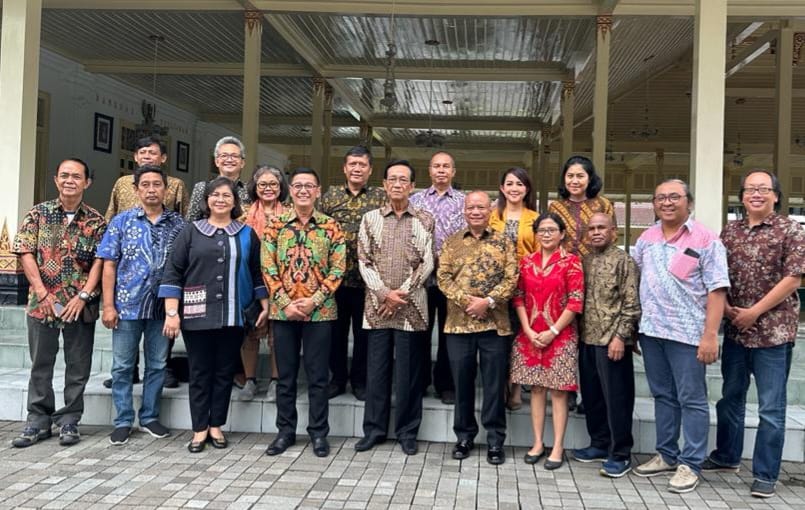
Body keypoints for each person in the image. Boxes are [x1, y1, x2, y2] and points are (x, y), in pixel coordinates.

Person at [703, 170, 805, 499]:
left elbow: (794, 278)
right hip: (735, 330)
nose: (756, 194)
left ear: (776, 195)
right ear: (742, 196)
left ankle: (765, 473)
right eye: (750, 189)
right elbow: (717, 272)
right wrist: (730, 310)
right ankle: (727, 457)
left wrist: (755, 311)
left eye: (763, 189)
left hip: (773, 333)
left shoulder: (791, 229)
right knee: (730, 397)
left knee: (770, 408)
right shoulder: (730, 231)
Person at [632, 179, 729, 493]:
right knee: (663, 396)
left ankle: (691, 462)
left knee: (692, 399)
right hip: (652, 332)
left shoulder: (705, 239)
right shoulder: (646, 238)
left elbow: (717, 291)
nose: (667, 202)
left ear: (689, 201)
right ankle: (667, 454)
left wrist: (710, 335)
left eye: (674, 197)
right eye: (660, 198)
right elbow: (637, 283)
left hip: (688, 334)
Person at [158, 176, 269, 453]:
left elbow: (256, 273)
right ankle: (199, 429)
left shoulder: (246, 234)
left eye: (226, 195)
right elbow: (173, 273)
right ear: (207, 200)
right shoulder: (190, 232)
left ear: (235, 202)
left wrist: (264, 304)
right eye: (215, 194)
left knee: (224, 372)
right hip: (196, 315)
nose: (220, 199)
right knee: (200, 372)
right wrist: (172, 312)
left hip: (234, 313)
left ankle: (216, 425)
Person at [11, 158, 106, 448]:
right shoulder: (37, 214)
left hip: (80, 305)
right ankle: (37, 421)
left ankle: (69, 421)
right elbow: (25, 252)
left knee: (78, 366)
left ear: (87, 182)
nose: (70, 181)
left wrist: (84, 296)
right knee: (41, 363)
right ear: (55, 179)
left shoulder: (96, 221)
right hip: (42, 304)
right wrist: (41, 292)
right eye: (64, 175)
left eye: (76, 176)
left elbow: (101, 261)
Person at [97, 165, 186, 445]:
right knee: (122, 367)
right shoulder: (121, 222)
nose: (151, 189)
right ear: (136, 190)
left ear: (165, 189)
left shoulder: (179, 225)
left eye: (156, 184)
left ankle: (149, 416)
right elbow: (109, 266)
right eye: (145, 184)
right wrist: (108, 306)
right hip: (126, 308)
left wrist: (177, 310)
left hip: (162, 310)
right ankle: (123, 420)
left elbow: (185, 267)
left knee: (158, 364)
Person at [263, 168, 346, 458]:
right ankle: (285, 431)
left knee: (318, 377)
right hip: (283, 313)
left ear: (318, 190)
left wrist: (314, 300)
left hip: (320, 313)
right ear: (290, 190)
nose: (302, 191)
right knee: (285, 377)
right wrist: (285, 302)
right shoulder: (275, 226)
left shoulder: (332, 227)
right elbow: (267, 267)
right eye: (297, 185)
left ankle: (318, 433)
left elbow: (338, 270)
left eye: (309, 186)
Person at [354, 160, 434, 455]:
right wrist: (384, 293)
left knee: (409, 373)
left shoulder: (425, 219)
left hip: (412, 307)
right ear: (385, 185)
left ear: (413, 186)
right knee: (376, 371)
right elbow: (363, 260)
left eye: (404, 180)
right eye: (392, 179)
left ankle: (407, 431)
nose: (398, 184)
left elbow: (428, 262)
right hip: (376, 307)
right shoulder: (369, 218)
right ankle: (373, 430)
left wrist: (401, 293)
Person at [437, 191, 518, 465]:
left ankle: (495, 440)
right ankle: (464, 436)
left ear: (490, 211)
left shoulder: (505, 242)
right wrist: (465, 301)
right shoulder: (451, 242)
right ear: (464, 210)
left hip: (495, 326)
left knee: (495, 386)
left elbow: (512, 278)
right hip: (459, 326)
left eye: (481, 207)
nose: (475, 212)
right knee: (462, 384)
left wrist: (488, 301)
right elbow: (443, 278)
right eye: (471, 207)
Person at [103, 135, 189, 389]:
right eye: (142, 152)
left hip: (163, 277)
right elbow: (111, 214)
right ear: (135, 157)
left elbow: (184, 220)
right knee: (125, 352)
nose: (147, 156)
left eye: (153, 152)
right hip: (129, 274)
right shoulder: (122, 184)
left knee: (161, 340)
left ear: (163, 158)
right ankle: (130, 373)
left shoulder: (175, 185)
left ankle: (165, 369)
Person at [510, 212, 583, 470]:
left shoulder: (571, 263)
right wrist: (528, 329)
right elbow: (518, 296)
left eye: (552, 230)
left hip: (560, 336)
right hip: (530, 334)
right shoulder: (526, 262)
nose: (547, 234)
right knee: (537, 390)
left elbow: (575, 301)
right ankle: (538, 442)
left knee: (559, 392)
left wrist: (552, 331)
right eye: (542, 230)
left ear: (562, 234)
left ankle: (558, 446)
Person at [572, 213, 641, 477]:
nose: (596, 232)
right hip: (587, 340)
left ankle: (620, 453)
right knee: (592, 397)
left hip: (612, 342)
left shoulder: (624, 262)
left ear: (614, 232)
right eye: (591, 229)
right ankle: (599, 443)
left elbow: (632, 304)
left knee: (617, 399)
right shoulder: (585, 261)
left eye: (602, 228)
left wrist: (621, 337)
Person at [548, 155, 614, 414]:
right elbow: (550, 239)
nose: (575, 181)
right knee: (565, 336)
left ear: (590, 178)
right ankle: (567, 389)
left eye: (580, 176)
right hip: (564, 278)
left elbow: (609, 237)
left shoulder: (603, 204)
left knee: (591, 338)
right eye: (570, 176)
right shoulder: (556, 206)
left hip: (595, 277)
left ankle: (592, 394)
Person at [320, 146, 386, 400]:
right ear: (344, 168)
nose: (357, 169)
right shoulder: (331, 196)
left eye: (362, 165)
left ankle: (360, 381)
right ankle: (336, 379)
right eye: (353, 164)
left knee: (364, 334)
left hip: (367, 281)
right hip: (335, 280)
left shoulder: (381, 198)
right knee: (335, 334)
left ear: (370, 170)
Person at [410, 151, 466, 404]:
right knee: (420, 331)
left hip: (452, 281)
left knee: (448, 333)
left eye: (446, 166)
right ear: (429, 171)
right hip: (420, 279)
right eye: (436, 166)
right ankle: (419, 381)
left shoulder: (464, 202)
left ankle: (446, 383)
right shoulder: (415, 200)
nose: (441, 170)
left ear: (453, 171)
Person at [235, 165, 290, 401]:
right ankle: (250, 380)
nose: (268, 189)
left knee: (278, 334)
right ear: (254, 188)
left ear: (281, 188)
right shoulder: (242, 216)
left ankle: (276, 382)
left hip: (283, 282)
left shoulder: (290, 214)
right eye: (263, 185)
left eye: (273, 184)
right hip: (250, 280)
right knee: (250, 332)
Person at [488, 167, 539, 411]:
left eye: (519, 184)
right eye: (509, 183)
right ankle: (498, 388)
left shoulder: (535, 218)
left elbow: (540, 253)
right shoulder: (492, 216)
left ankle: (516, 388)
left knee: (520, 337)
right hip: (494, 285)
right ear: (502, 188)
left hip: (525, 286)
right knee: (498, 338)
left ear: (527, 189)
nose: (514, 188)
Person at [186, 136, 251, 221]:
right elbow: (190, 222)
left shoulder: (249, 191)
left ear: (242, 163)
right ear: (217, 161)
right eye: (224, 155)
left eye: (234, 156)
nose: (229, 160)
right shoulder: (202, 188)